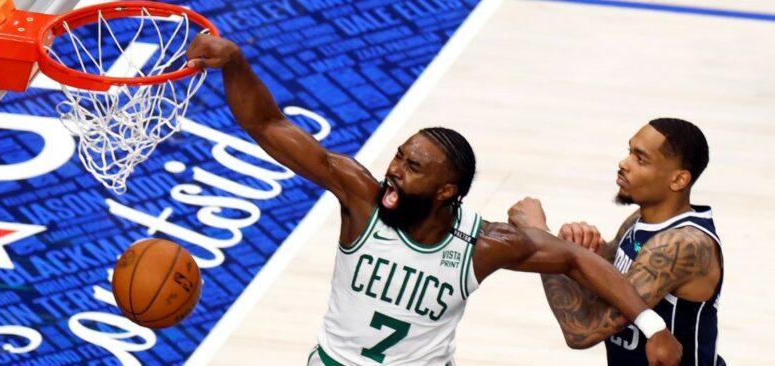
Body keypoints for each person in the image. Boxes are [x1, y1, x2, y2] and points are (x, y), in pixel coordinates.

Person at [184, 34, 682, 366]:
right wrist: (235, 62)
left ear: (448, 192)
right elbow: (268, 124)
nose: (394, 172)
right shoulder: (361, 198)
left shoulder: (482, 244)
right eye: (399, 157)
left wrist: (652, 325)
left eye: (412, 168)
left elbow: (574, 260)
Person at [508, 118, 725, 365]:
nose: (624, 164)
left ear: (678, 180)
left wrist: (541, 237)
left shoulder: (682, 245)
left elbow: (582, 329)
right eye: (629, 152)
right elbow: (607, 279)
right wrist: (579, 248)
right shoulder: (641, 220)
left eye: (640, 159)